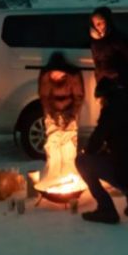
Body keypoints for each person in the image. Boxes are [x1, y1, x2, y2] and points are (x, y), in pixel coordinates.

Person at [75, 76, 128, 224]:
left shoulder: (111, 111)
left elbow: (94, 143)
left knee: (82, 161)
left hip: (126, 174)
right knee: (119, 159)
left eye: (100, 99)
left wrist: (86, 150)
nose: (100, 103)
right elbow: (124, 142)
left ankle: (106, 209)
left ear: (106, 96)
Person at [36, 52, 85, 186]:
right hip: (52, 114)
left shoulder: (72, 77)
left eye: (59, 73)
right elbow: (44, 97)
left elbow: (78, 97)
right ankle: (53, 177)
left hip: (69, 114)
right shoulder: (46, 78)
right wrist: (50, 115)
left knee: (68, 146)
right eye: (54, 73)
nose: (56, 75)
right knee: (53, 146)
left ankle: (70, 175)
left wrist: (71, 115)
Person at [89, 6, 128, 91]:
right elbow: (97, 63)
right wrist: (99, 81)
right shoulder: (95, 42)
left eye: (101, 22)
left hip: (120, 83)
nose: (98, 26)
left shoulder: (118, 38)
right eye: (95, 23)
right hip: (104, 84)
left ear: (108, 21)